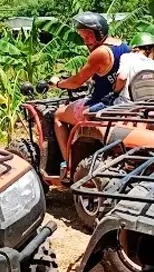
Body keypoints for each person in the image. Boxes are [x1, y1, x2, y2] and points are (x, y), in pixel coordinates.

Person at [52, 12, 129, 170]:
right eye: (83, 36)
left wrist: (58, 83)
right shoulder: (122, 45)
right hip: (121, 101)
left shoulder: (100, 53)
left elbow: (75, 82)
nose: (85, 41)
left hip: (101, 104)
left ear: (99, 33)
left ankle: (68, 164)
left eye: (88, 36)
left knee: (58, 115)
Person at [113, 33, 154, 105]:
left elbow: (122, 78)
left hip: (127, 103)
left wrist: (115, 91)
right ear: (148, 49)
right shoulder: (152, 63)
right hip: (147, 104)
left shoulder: (127, 57)